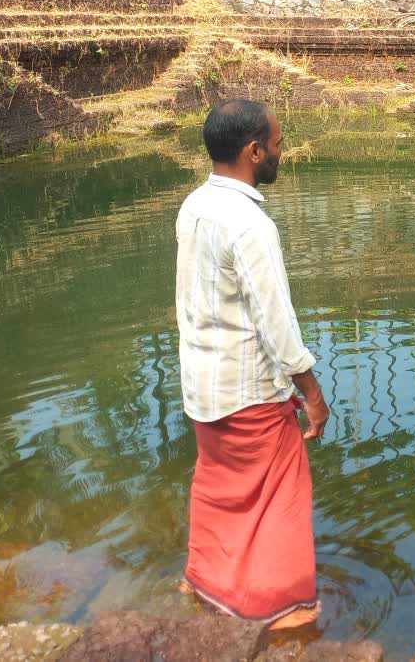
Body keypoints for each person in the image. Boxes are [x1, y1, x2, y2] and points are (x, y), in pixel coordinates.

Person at [174, 99, 330, 629]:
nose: (281, 154)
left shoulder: (194, 204)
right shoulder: (250, 224)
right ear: (253, 151)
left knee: (221, 491)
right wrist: (311, 393)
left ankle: (205, 586)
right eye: (278, 145)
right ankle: (286, 613)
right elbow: (277, 323)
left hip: (203, 389)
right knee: (281, 497)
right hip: (249, 393)